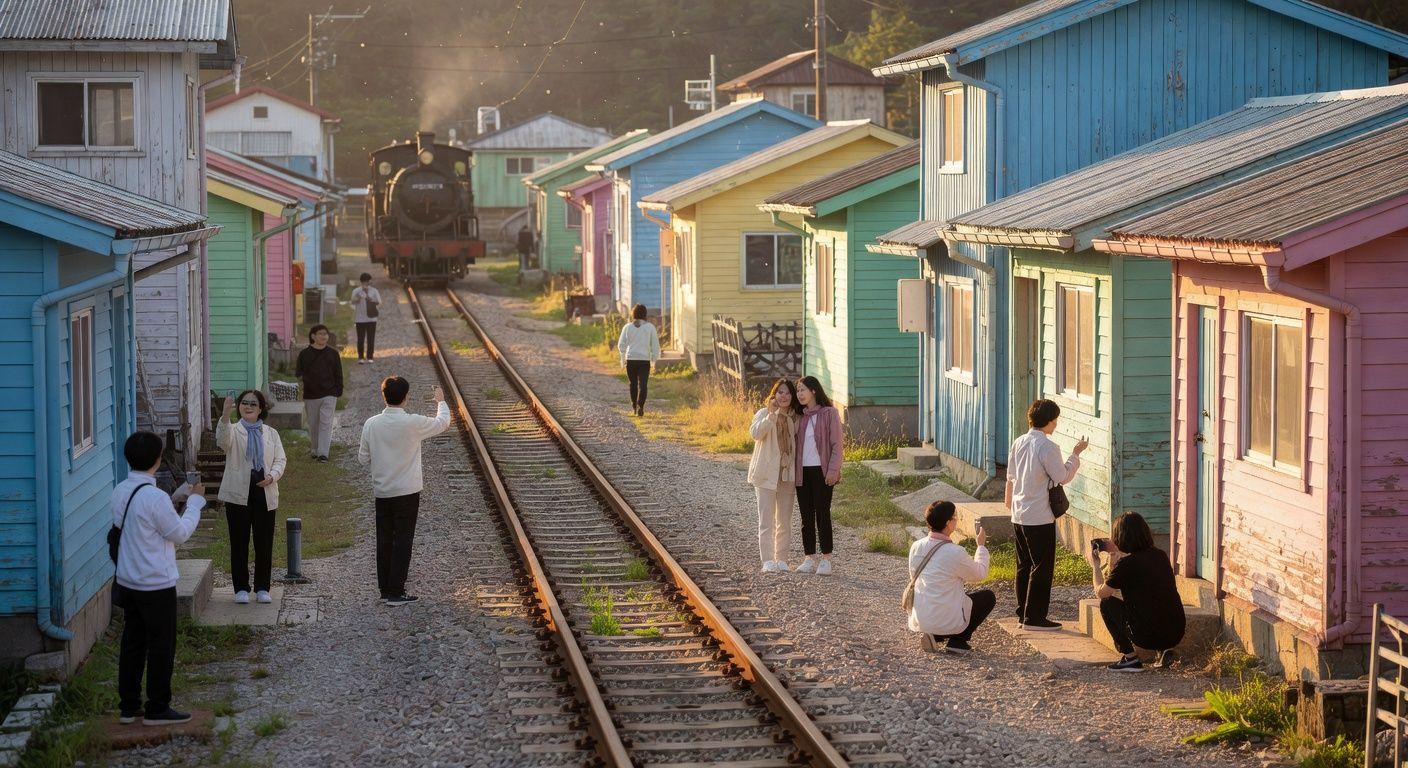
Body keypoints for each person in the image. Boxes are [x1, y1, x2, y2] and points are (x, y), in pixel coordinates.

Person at [111, 431, 205, 726]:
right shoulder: (154, 497)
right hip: (156, 583)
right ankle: (157, 707)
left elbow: (139, 525)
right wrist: (194, 505)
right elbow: (179, 533)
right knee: (161, 645)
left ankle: (128, 706)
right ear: (157, 459)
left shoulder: (120, 491)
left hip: (128, 580)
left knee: (133, 642)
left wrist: (176, 498)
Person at [358, 376, 451, 605]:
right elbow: (443, 423)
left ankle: (384, 590)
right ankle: (396, 591)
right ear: (406, 397)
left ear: (384, 396)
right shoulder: (413, 422)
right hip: (407, 491)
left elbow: (363, 458)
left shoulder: (371, 423)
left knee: (384, 539)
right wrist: (441, 401)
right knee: (403, 540)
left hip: (383, 491)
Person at [1004, 399, 1088, 631]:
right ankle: (1035, 618)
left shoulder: (1019, 442)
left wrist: (1008, 502)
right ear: (1049, 421)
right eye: (1055, 420)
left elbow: (1011, 476)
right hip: (1039, 515)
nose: (1056, 424)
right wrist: (1075, 455)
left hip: (1019, 513)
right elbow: (1062, 476)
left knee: (1023, 566)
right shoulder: (1048, 447)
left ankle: (1023, 613)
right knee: (1042, 567)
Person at [1087, 512, 1186, 672]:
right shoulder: (1160, 555)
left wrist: (1096, 566)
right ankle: (1164, 650)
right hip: (1176, 632)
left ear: (1120, 537)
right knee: (1152, 600)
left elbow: (1102, 593)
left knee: (1107, 603)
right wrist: (1116, 551)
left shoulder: (1126, 565)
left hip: (1147, 636)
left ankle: (1130, 659)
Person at [217, 390, 287, 605]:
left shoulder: (271, 433)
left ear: (261, 409)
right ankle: (240, 588)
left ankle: (263, 587)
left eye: (253, 404)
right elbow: (222, 441)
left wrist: (272, 476)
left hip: (264, 492)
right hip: (238, 494)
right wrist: (225, 415)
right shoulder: (233, 430)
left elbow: (280, 459)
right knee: (239, 542)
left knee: (264, 542)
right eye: (244, 403)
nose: (248, 406)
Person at [908, 501, 995, 654]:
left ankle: (934, 634)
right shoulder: (955, 552)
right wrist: (981, 546)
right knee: (988, 597)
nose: (956, 520)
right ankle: (958, 640)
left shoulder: (916, 546)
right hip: (947, 619)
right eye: (955, 517)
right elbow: (980, 574)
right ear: (948, 523)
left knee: (945, 593)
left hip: (921, 618)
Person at [747, 379, 802, 573]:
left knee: (784, 521)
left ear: (792, 396)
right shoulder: (764, 414)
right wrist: (771, 415)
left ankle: (782, 559)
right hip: (765, 475)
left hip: (787, 474)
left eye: (787, 393)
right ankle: (768, 560)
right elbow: (755, 434)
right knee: (766, 520)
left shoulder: (796, 417)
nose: (784, 396)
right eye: (780, 392)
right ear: (773, 395)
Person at [793, 376, 842, 575]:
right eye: (797, 391)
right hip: (802, 472)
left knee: (822, 514)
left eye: (803, 390)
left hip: (821, 472)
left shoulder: (829, 413)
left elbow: (837, 445)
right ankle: (809, 558)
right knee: (806, 516)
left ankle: (826, 559)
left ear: (814, 391)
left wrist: (833, 471)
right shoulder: (799, 416)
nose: (800, 394)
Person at [295, 324, 343, 462]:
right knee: (314, 423)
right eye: (320, 334)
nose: (323, 336)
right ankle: (315, 449)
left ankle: (323, 454)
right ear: (313, 336)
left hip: (329, 393)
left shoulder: (333, 353)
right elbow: (299, 373)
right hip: (311, 395)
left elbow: (338, 373)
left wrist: (338, 390)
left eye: (325, 334)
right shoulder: (305, 354)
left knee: (326, 423)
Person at [616, 304, 660, 417]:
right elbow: (655, 344)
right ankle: (641, 405)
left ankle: (634, 406)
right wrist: (654, 358)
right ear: (645, 314)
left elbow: (621, 344)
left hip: (631, 359)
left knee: (633, 384)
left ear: (633, 314)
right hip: (644, 360)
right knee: (643, 384)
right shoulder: (650, 327)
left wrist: (623, 357)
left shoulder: (627, 327)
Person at [350, 273, 381, 364]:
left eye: (368, 281)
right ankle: (360, 357)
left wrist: (369, 298)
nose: (367, 283)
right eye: (365, 281)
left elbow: (379, 302)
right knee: (360, 339)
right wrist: (359, 296)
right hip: (360, 318)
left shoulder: (374, 291)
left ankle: (370, 356)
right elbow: (352, 301)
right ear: (362, 282)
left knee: (371, 338)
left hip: (371, 318)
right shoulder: (356, 291)